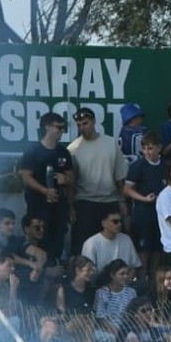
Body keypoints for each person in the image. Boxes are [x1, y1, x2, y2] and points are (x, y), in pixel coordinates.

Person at [67, 106, 129, 255]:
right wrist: (71, 207)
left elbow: (120, 176)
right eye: (79, 125)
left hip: (110, 201)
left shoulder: (110, 143)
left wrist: (122, 201)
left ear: (94, 122)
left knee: (117, 245)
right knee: (81, 248)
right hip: (85, 203)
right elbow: (70, 183)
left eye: (86, 123)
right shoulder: (73, 149)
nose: (83, 128)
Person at [19, 111, 75, 261]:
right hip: (38, 205)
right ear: (47, 127)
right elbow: (26, 176)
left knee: (58, 239)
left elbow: (71, 178)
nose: (62, 131)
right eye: (58, 127)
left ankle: (55, 269)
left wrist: (66, 179)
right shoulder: (33, 150)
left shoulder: (64, 152)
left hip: (59, 206)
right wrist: (45, 191)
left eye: (64, 128)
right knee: (38, 237)